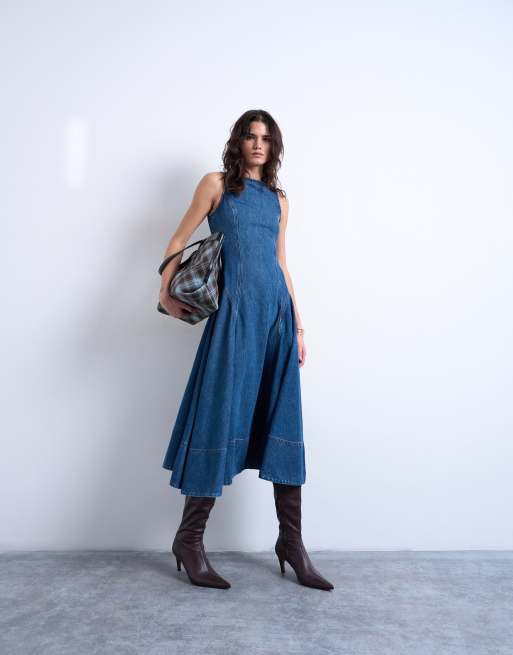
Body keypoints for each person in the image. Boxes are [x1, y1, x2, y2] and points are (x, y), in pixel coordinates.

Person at [158, 109, 334, 591]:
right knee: (218, 415)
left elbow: (281, 263)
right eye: (250, 136)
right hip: (234, 318)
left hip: (276, 318)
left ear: (274, 147)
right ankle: (189, 540)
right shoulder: (215, 184)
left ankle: (291, 543)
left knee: (283, 420)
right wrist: (164, 291)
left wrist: (298, 326)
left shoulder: (279, 199)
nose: (258, 144)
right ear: (237, 141)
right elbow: (179, 238)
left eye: (266, 138)